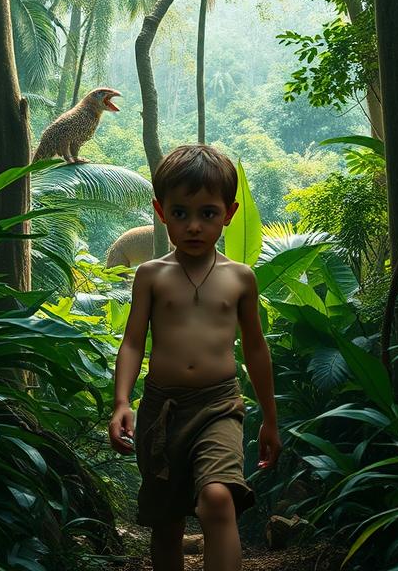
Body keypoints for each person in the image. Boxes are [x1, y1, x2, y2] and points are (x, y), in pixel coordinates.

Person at [108, 144, 282, 571]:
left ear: (229, 212)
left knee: (218, 498)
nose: (193, 226)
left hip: (219, 406)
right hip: (161, 410)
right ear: (161, 211)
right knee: (166, 524)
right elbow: (133, 342)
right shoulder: (151, 275)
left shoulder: (240, 278)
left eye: (207, 213)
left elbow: (256, 348)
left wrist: (271, 419)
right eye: (180, 212)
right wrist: (121, 402)